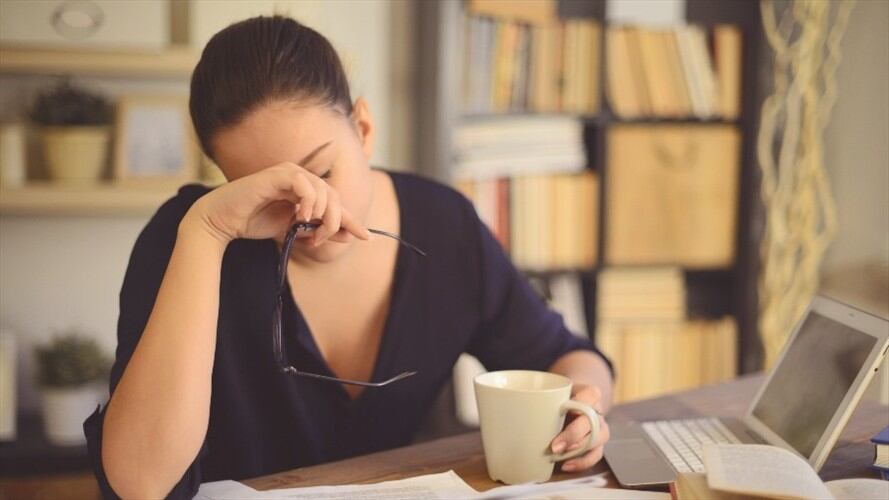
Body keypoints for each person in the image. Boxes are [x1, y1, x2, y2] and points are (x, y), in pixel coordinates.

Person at [84, 15, 614, 499]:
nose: (308, 214)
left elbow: (565, 357)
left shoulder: (444, 225)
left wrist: (587, 409)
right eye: (269, 192)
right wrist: (207, 230)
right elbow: (140, 483)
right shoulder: (187, 238)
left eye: (322, 173)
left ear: (362, 127)